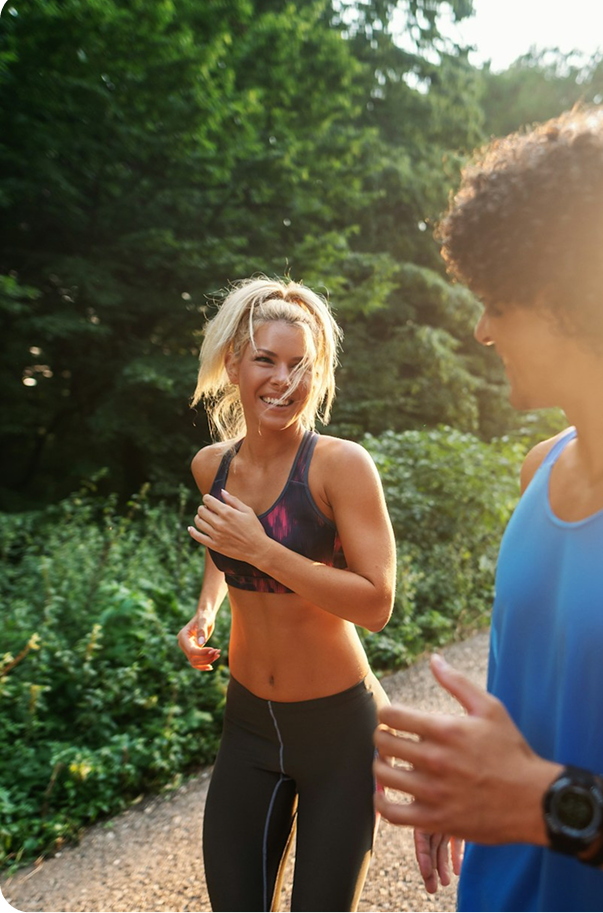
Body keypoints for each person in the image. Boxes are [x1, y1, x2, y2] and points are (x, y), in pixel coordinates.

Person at [373, 104, 603, 912]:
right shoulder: (540, 470)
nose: (482, 331)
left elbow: (538, 790)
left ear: (568, 301)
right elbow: (551, 708)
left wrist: (536, 799)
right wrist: (478, 780)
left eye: (497, 301)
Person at [177, 277, 396, 913]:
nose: (284, 380)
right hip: (248, 724)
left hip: (339, 731)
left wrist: (263, 549)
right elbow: (221, 544)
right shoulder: (212, 466)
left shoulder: (339, 466)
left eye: (300, 364)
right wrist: (205, 610)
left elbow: (376, 604)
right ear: (233, 365)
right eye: (266, 360)